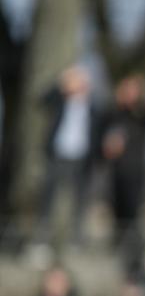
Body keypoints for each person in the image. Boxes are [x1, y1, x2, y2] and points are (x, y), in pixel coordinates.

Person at [36, 65, 96, 248]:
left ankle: (75, 240)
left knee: (79, 199)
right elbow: (40, 101)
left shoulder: (93, 106)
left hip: (82, 157)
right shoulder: (60, 101)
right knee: (49, 196)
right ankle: (42, 239)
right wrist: (60, 84)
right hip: (59, 153)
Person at [97, 74, 145, 240]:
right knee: (116, 205)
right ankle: (118, 238)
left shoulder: (140, 113)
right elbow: (103, 129)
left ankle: (133, 239)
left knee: (134, 206)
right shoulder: (114, 113)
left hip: (136, 167)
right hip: (116, 168)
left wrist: (137, 99)